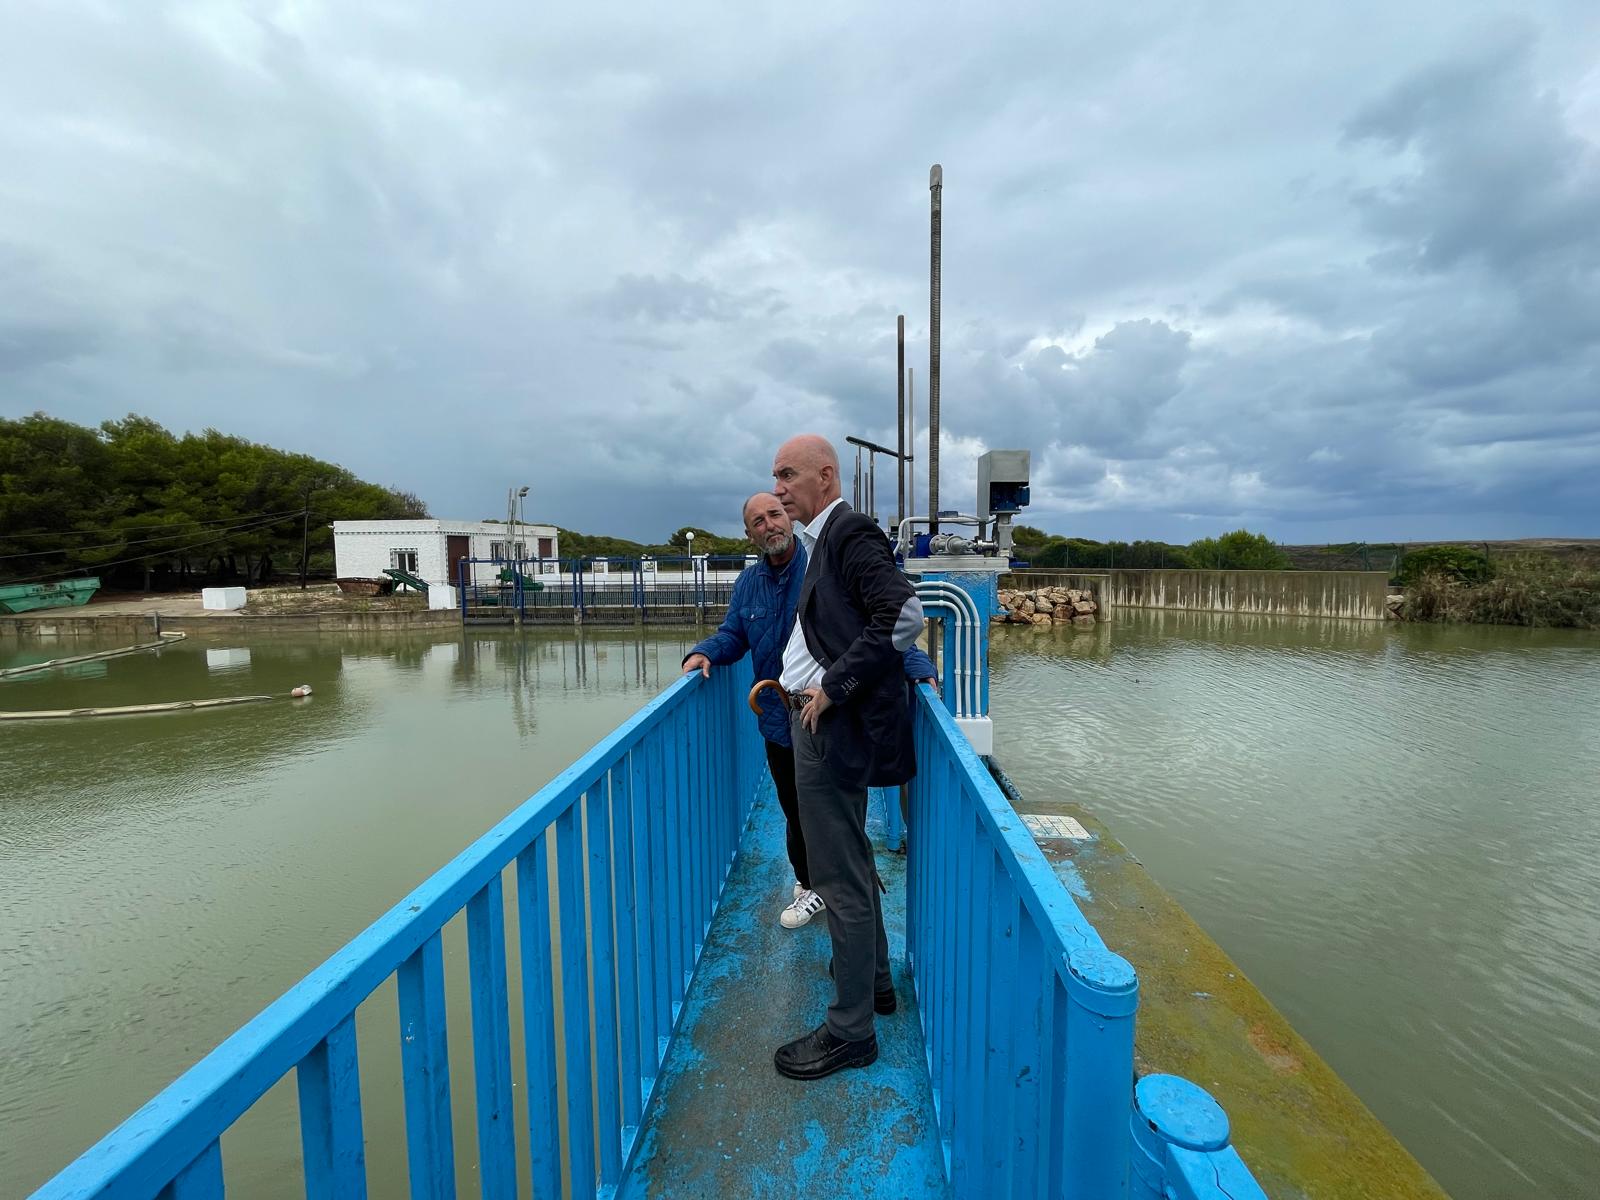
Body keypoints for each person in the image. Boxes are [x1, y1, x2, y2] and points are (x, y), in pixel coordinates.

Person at [682, 492, 934, 930]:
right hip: (779, 719)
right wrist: (704, 652)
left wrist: (917, 667)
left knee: (835, 815)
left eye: (775, 514)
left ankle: (844, 893)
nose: (769, 526)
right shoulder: (748, 584)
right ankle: (809, 883)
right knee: (794, 809)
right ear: (750, 534)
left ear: (790, 518)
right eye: (758, 522)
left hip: (828, 715)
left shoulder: (822, 564)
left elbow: (880, 620)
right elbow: (733, 635)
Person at [769, 434, 925, 1081]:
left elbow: (905, 616)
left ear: (825, 477)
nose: (778, 488)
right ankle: (878, 984)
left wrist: (834, 687)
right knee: (853, 863)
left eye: (787, 475)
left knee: (838, 880)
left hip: (830, 730)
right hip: (826, 726)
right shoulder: (825, 539)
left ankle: (850, 1031)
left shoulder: (849, 532)